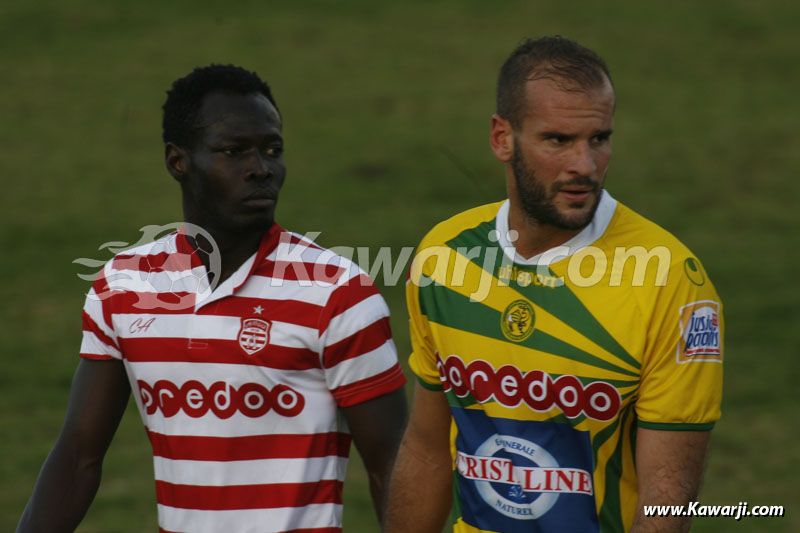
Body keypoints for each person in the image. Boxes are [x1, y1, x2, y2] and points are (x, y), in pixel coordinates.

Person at [18, 64, 408, 533]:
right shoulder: (125, 287)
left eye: (272, 149)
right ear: (177, 161)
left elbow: (394, 467)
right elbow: (78, 456)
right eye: (233, 151)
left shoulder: (338, 292)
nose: (261, 168)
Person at [385, 36, 723, 533]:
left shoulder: (669, 280)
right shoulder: (445, 257)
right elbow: (428, 449)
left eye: (599, 139)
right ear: (503, 138)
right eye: (558, 140)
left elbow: (667, 498)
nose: (583, 165)